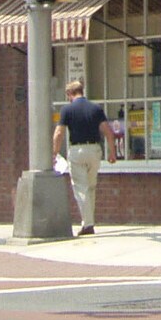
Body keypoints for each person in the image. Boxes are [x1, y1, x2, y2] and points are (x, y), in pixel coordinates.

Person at [52, 79, 104, 236]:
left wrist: (54, 152)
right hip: (95, 149)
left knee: (80, 188)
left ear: (69, 94)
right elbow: (107, 130)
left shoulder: (67, 110)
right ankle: (89, 221)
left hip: (77, 150)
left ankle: (88, 225)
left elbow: (59, 133)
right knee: (91, 186)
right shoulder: (96, 108)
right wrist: (113, 150)